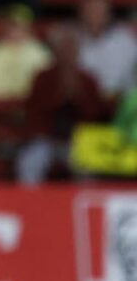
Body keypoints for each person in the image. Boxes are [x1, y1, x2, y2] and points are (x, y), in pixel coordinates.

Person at [16, 24, 109, 185]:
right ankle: (29, 205)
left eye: (72, 48)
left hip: (78, 141)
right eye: (63, 48)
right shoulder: (43, 78)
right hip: (46, 140)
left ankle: (85, 204)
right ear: (55, 51)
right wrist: (58, 95)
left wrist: (78, 96)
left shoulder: (88, 80)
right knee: (30, 162)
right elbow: (34, 114)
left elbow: (97, 116)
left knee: (87, 165)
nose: (68, 54)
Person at [0, 4, 51, 101]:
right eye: (9, 25)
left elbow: (45, 89)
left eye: (16, 26)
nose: (12, 30)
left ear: (27, 27)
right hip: (0, 108)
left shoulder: (40, 52)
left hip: (32, 107)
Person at [76, 0, 137, 101]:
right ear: (81, 12)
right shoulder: (71, 40)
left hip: (119, 104)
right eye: (91, 10)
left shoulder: (126, 42)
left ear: (108, 12)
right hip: (81, 105)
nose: (94, 14)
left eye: (99, 10)